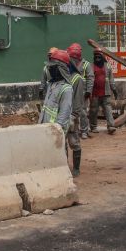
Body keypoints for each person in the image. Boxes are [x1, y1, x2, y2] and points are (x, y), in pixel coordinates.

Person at [38, 49, 81, 177]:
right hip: (47, 128)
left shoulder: (66, 88)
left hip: (56, 130)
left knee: (69, 146)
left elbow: (64, 113)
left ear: (61, 68)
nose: (50, 69)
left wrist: (57, 130)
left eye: (53, 67)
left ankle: (67, 174)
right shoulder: (52, 85)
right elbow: (46, 108)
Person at [68, 43, 94, 138]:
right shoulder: (70, 64)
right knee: (74, 111)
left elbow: (90, 78)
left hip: (83, 93)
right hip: (73, 92)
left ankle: (84, 131)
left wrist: (89, 91)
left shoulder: (86, 64)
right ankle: (75, 129)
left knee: (83, 112)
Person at [89, 49, 118, 134]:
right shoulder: (91, 66)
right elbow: (89, 80)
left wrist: (114, 90)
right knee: (93, 110)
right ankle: (93, 126)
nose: (97, 58)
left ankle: (111, 126)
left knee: (108, 109)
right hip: (95, 93)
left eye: (99, 56)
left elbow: (111, 79)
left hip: (106, 92)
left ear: (102, 57)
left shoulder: (107, 66)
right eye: (96, 56)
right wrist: (88, 92)